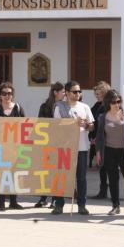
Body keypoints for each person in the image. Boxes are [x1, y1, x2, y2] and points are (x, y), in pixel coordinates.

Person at [51, 80, 94, 215]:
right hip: (65, 147)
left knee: (81, 178)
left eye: (79, 91)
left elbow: (92, 126)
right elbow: (57, 126)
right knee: (62, 177)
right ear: (67, 93)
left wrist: (86, 125)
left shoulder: (85, 107)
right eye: (75, 91)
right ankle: (59, 204)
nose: (78, 94)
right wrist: (73, 124)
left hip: (81, 147)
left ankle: (82, 204)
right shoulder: (59, 107)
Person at [0, 82, 24, 211]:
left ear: (12, 95)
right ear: (0, 96)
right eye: (4, 93)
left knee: (14, 174)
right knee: (2, 175)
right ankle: (1, 202)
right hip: (1, 148)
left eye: (9, 93)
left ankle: (13, 201)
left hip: (15, 147)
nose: (7, 96)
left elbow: (25, 125)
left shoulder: (18, 108)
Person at [34, 82, 65, 208]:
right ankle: (43, 197)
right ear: (55, 93)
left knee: (57, 172)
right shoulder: (45, 106)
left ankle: (55, 198)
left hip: (61, 143)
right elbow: (40, 124)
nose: (64, 94)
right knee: (46, 172)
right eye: (62, 92)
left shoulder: (65, 106)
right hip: (47, 143)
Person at [89, 81, 110, 199]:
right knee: (101, 167)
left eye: (99, 94)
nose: (97, 96)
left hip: (106, 141)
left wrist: (98, 137)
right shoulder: (97, 106)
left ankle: (106, 191)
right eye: (96, 94)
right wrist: (91, 137)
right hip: (96, 141)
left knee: (106, 167)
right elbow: (92, 121)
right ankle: (103, 191)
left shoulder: (108, 106)